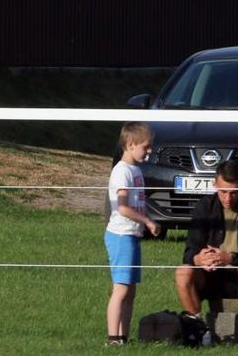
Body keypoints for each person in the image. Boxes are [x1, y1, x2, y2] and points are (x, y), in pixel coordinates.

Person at [175, 158, 238, 349]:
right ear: (214, 184)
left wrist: (232, 258)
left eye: (234, 193)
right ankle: (199, 328)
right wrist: (199, 258)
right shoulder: (204, 207)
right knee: (182, 272)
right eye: (223, 192)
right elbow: (189, 252)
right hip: (211, 277)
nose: (228, 198)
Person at [104, 122, 160, 346]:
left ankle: (123, 336)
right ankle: (113, 337)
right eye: (146, 147)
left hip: (132, 235)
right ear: (130, 144)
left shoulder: (136, 170)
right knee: (121, 289)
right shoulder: (121, 172)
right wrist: (147, 221)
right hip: (120, 235)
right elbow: (123, 207)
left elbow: (138, 204)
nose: (149, 151)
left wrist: (146, 221)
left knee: (131, 290)